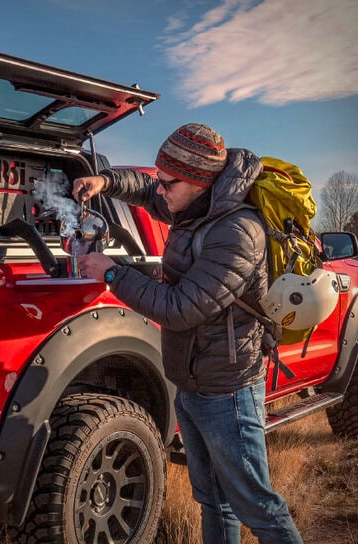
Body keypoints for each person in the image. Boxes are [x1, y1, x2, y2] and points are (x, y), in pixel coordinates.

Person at [72, 123, 303, 544]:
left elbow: (181, 309)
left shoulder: (237, 232)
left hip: (228, 389)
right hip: (192, 384)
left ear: (198, 180)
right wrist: (104, 181)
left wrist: (112, 272)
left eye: (168, 183)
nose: (159, 191)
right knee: (214, 500)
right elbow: (144, 188)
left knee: (257, 506)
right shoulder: (192, 205)